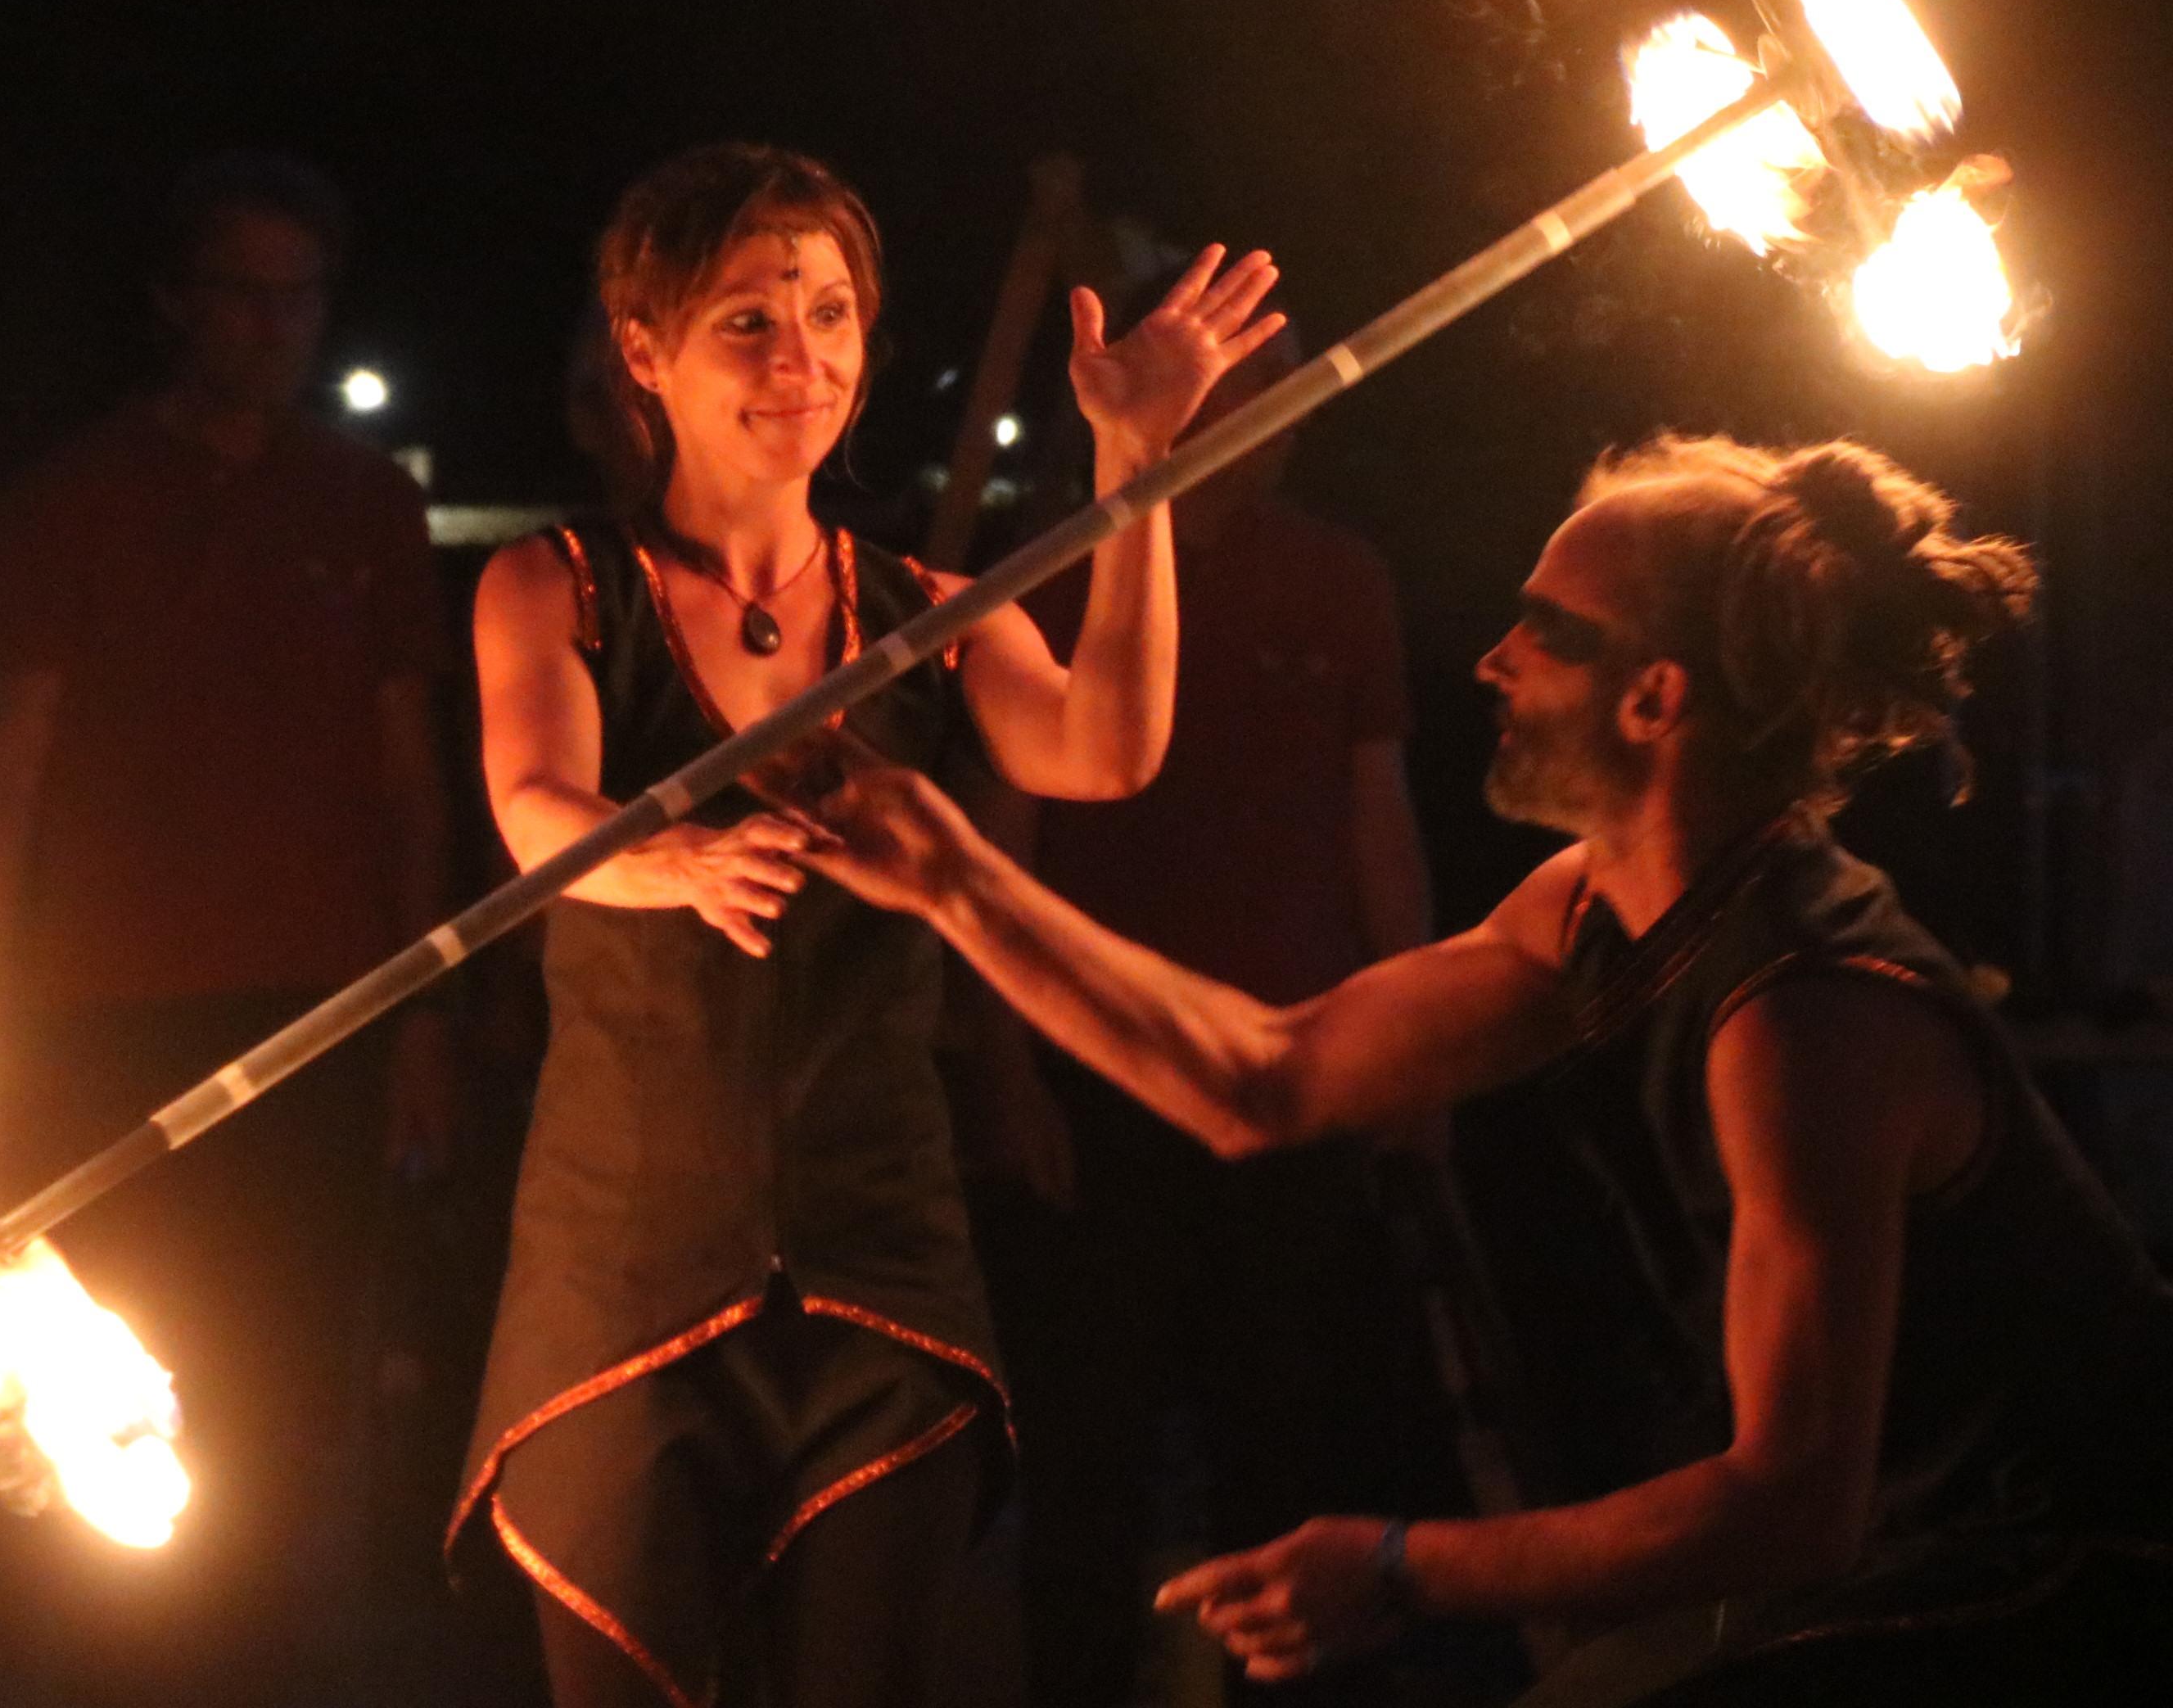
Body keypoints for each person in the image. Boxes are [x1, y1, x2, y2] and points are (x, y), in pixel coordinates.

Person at [787, 435, 2173, 1706]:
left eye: (1546, 633)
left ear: (1655, 698)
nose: (1492, 663)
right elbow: (1261, 1078)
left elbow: (1792, 1502)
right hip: (1899, 1562)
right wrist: (951, 878)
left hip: (2055, 1581)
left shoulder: (1803, 1016)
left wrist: (1399, 1567)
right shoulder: (1598, 907)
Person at [455, 142, 1279, 1708]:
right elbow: (538, 809)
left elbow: (1108, 747)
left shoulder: (933, 614)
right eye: (749, 322)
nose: (804, 361)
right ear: (644, 350)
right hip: (620, 1276)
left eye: (830, 315)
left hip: (880, 1273)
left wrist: (1138, 464)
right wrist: (678, 863)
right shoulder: (555, 585)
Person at [0, 151, 451, 1697]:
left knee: (289, 1399)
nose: (276, 325)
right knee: (120, 1379)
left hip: (318, 1014)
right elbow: (8, 771)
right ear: (176, 303)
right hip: (105, 1014)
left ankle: (254, 1672)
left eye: (302, 295)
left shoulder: (366, 506)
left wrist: (422, 1007)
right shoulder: (69, 504)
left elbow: (408, 771)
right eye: (244, 292)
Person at [976, 320, 1471, 1705]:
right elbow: (1001, 845)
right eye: (1246, 386)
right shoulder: (1057, 573)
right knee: (1088, 1445)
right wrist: (1004, 1069)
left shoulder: (1338, 579)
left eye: (1289, 391)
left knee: (1284, 1431)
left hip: (1302, 1072)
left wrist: (1419, 1054)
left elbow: (1376, 820)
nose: (1276, 415)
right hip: (1102, 1074)